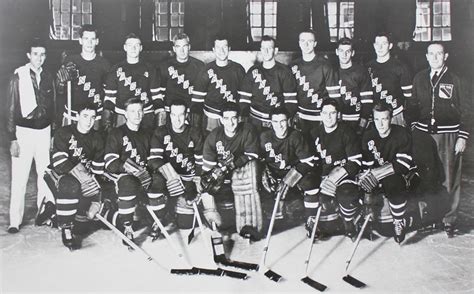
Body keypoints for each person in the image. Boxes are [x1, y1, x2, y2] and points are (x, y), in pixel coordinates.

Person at [409, 43, 469, 237]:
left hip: (449, 135)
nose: (435, 57)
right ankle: (429, 216)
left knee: (449, 177)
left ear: (446, 56)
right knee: (425, 176)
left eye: (439, 53)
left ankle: (449, 219)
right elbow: (411, 106)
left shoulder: (456, 79)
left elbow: (468, 110)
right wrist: (413, 129)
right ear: (426, 56)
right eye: (431, 54)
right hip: (424, 135)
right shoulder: (419, 78)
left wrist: (462, 136)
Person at [6, 38, 56, 233]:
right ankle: (14, 221)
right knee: (20, 176)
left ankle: (44, 214)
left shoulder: (48, 75)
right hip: (23, 132)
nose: (39, 58)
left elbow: (54, 105)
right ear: (29, 55)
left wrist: (53, 133)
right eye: (36, 54)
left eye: (43, 54)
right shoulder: (18, 76)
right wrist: (12, 138)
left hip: (44, 131)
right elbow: (10, 109)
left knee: (45, 175)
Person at [201, 102, 262, 239]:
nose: (230, 122)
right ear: (221, 120)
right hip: (221, 177)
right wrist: (215, 175)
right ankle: (213, 221)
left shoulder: (247, 130)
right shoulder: (214, 136)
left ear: (239, 118)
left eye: (234, 118)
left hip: (240, 175)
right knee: (206, 184)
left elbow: (252, 154)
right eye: (226, 118)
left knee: (249, 173)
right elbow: (207, 168)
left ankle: (248, 225)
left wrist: (233, 164)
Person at [47, 102, 104, 249]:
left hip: (84, 181)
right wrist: (83, 177)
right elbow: (59, 162)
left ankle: (52, 213)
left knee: (82, 228)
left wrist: (96, 196)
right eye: (85, 116)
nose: (89, 121)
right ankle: (66, 228)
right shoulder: (63, 132)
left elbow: (98, 170)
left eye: (92, 117)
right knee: (71, 185)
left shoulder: (97, 138)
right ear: (77, 116)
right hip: (60, 175)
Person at [359, 102, 415, 243]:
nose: (381, 124)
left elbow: (403, 165)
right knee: (360, 182)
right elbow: (367, 164)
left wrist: (376, 174)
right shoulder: (368, 136)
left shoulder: (401, 133)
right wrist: (367, 185)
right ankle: (364, 218)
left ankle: (398, 221)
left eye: (384, 119)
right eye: (377, 119)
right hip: (377, 175)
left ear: (391, 118)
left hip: (399, 174)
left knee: (393, 183)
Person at [147, 99, 204, 238]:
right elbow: (154, 160)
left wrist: (197, 182)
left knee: (186, 223)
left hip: (188, 178)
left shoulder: (195, 133)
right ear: (169, 115)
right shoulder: (161, 132)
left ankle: (174, 208)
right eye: (174, 115)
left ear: (186, 115)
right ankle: (159, 218)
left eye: (181, 115)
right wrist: (170, 175)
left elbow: (200, 162)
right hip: (168, 178)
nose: (177, 119)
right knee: (155, 182)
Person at [103, 98, 155, 247]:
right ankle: (127, 227)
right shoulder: (116, 132)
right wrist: (131, 169)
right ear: (125, 114)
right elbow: (110, 163)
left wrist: (148, 172)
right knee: (129, 181)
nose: (137, 115)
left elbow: (152, 159)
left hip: (142, 178)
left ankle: (153, 218)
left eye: (139, 111)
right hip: (121, 179)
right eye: (132, 111)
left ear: (144, 113)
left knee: (158, 180)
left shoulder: (147, 133)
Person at [309, 99, 362, 240]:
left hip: (344, 175)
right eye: (325, 113)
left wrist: (333, 179)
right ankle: (313, 221)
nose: (328, 117)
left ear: (338, 115)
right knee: (310, 188)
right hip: (323, 177)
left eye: (332, 113)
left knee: (346, 193)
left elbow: (355, 162)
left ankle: (349, 222)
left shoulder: (347, 132)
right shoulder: (313, 133)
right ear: (320, 115)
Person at [259, 107, 318, 222]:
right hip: (272, 173)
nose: (279, 125)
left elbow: (309, 162)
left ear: (288, 121)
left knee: (311, 182)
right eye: (275, 122)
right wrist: (263, 173)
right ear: (271, 123)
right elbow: (259, 159)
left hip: (292, 172)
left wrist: (290, 178)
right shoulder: (264, 137)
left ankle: (311, 219)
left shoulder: (296, 136)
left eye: (282, 121)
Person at [56, 24, 110, 129]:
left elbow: (107, 91)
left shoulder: (104, 63)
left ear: (97, 41)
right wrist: (61, 83)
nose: (89, 42)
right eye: (86, 38)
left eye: (92, 39)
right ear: (80, 40)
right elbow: (59, 91)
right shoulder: (70, 61)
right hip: (73, 113)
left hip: (95, 115)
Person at [239, 35, 297, 133]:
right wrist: (245, 118)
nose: (266, 51)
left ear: (276, 50)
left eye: (269, 48)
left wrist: (285, 120)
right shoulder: (253, 71)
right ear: (260, 50)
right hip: (255, 120)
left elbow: (290, 102)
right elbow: (244, 99)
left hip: (276, 122)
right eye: (263, 48)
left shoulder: (284, 72)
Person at [103, 33, 159, 131]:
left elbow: (156, 96)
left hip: (145, 113)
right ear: (125, 47)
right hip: (122, 114)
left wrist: (160, 113)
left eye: (136, 45)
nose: (133, 48)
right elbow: (109, 98)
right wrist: (107, 119)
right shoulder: (116, 69)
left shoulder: (150, 68)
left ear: (141, 48)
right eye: (130, 45)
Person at [192, 34, 246, 134]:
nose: (221, 51)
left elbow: (244, 100)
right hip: (212, 117)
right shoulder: (206, 70)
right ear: (213, 49)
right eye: (218, 47)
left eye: (224, 47)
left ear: (229, 49)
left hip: (232, 117)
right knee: (212, 144)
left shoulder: (238, 70)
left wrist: (241, 119)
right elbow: (197, 101)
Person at [289, 30, 340, 135]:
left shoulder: (325, 65)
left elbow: (334, 96)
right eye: (303, 41)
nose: (306, 44)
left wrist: (332, 117)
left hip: (321, 117)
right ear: (299, 43)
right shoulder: (293, 66)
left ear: (315, 43)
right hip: (301, 116)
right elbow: (291, 95)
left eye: (310, 41)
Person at [156, 33, 205, 128]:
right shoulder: (164, 66)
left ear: (189, 47)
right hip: (171, 111)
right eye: (178, 47)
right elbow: (160, 92)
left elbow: (202, 92)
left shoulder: (199, 66)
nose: (182, 50)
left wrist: (195, 110)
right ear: (174, 49)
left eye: (185, 46)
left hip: (192, 111)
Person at [367, 32, 413, 127]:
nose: (380, 47)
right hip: (375, 116)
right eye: (377, 44)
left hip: (395, 115)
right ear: (374, 46)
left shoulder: (400, 67)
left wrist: (407, 117)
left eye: (384, 44)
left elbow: (410, 98)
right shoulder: (367, 67)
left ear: (390, 45)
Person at [335, 37, 373, 134]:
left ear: (353, 53)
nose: (344, 54)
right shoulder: (332, 71)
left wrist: (362, 124)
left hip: (356, 119)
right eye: (341, 51)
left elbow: (367, 102)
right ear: (336, 52)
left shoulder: (361, 72)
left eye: (348, 51)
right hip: (338, 119)